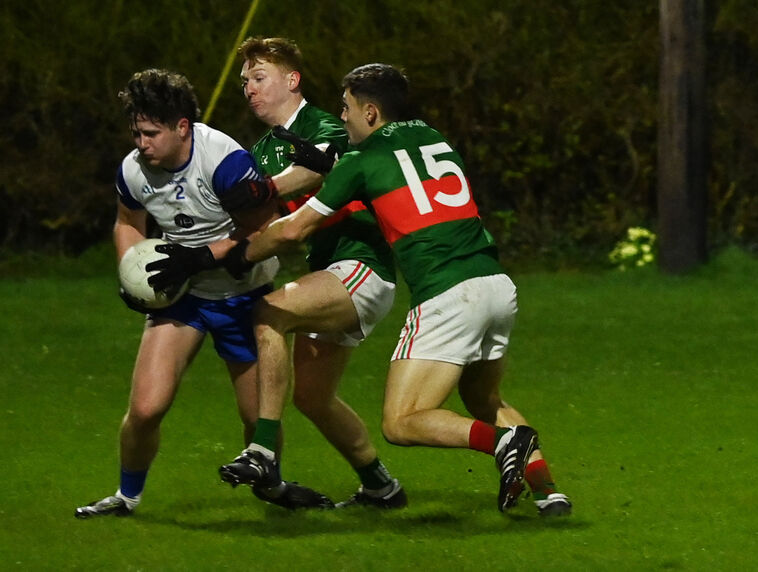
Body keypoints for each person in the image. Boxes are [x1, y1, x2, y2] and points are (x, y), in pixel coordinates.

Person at [219, 63, 572, 514]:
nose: (341, 119)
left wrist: (236, 255)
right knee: (484, 398)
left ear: (370, 112)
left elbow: (292, 231)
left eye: (346, 108)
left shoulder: (361, 160)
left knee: (401, 422)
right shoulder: (433, 137)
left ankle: (504, 443)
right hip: (497, 285)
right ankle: (548, 492)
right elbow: (400, 184)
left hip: (448, 293)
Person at [74, 68, 328, 518]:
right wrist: (130, 274)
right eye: (136, 132)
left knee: (256, 419)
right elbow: (127, 222)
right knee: (146, 408)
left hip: (243, 294)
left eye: (151, 133)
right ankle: (126, 496)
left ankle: (271, 484)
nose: (141, 143)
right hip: (181, 298)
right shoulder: (134, 170)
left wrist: (201, 258)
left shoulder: (224, 162)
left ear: (182, 127)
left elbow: (259, 229)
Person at [214, 38, 406, 508]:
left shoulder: (332, 123)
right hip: (330, 274)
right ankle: (382, 487)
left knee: (270, 312)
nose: (249, 90)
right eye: (244, 83)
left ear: (292, 80)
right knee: (314, 398)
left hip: (363, 264)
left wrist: (256, 191)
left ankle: (261, 451)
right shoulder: (262, 150)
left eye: (259, 78)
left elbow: (316, 171)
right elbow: (258, 218)